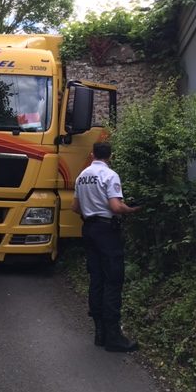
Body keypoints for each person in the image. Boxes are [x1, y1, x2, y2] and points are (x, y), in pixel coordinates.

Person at [71, 142, 142, 353]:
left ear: (92, 154)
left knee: (96, 279)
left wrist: (90, 212)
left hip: (89, 230)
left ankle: (99, 333)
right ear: (110, 155)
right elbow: (115, 207)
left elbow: (75, 207)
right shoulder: (110, 175)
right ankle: (114, 337)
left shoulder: (81, 176)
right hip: (107, 232)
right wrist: (132, 209)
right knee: (113, 279)